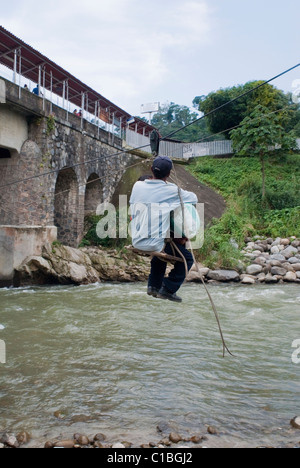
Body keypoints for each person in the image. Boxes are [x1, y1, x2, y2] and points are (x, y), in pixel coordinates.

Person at [130, 156, 198, 303]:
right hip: (155, 243)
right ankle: (168, 288)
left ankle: (153, 286)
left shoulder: (137, 186)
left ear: (151, 169)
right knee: (187, 259)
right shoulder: (171, 190)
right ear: (169, 174)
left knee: (161, 254)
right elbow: (193, 198)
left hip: (136, 240)